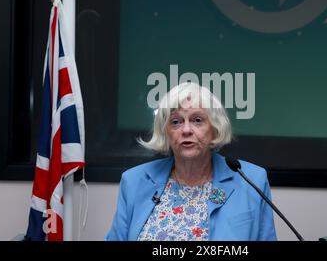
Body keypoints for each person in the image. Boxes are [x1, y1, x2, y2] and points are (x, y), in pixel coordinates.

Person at [105, 82, 277, 241]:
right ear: (165, 132)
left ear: (215, 129)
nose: (186, 130)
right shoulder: (134, 181)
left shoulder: (252, 179)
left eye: (197, 120)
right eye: (176, 122)